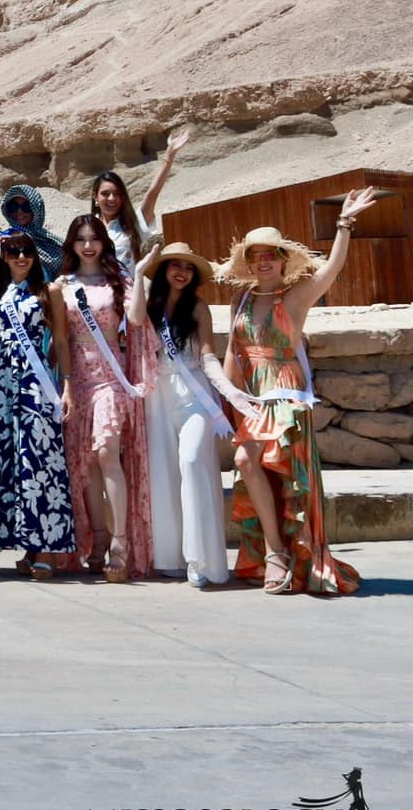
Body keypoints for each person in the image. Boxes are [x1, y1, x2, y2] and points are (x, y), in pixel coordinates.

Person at [217, 191, 374, 595]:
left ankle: (283, 554)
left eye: (271, 254)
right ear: (249, 262)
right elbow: (235, 350)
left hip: (285, 393)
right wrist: (229, 398)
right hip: (252, 396)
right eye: (256, 255)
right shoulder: (242, 298)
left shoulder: (296, 296)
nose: (263, 260)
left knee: (271, 471)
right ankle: (274, 551)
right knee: (249, 463)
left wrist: (343, 225)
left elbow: (333, 269)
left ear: (283, 259)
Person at [127, 241, 243, 589]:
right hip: (158, 394)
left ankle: (200, 558)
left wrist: (229, 391)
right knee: (163, 473)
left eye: (188, 267)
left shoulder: (198, 307)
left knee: (193, 463)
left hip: (194, 392)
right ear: (163, 270)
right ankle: (171, 558)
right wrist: (136, 272)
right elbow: (133, 320)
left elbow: (208, 355)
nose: (181, 271)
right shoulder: (151, 305)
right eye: (174, 265)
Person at [55, 213, 152, 582]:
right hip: (77, 377)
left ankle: (121, 542)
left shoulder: (118, 281)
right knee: (86, 464)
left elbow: (138, 319)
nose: (88, 245)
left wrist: (139, 274)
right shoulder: (62, 284)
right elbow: (61, 340)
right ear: (72, 244)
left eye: (94, 238)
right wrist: (65, 383)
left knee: (106, 451)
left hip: (111, 375)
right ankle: (96, 540)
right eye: (80, 239)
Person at [0, 232, 77, 577]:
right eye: (13, 252)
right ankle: (27, 544)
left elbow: (62, 341)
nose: (21, 257)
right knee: (13, 465)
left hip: (35, 385)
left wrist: (67, 386)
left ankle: (47, 550)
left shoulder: (48, 291)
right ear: (4, 257)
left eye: (26, 251)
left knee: (39, 462)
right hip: (3, 386)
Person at [92, 127, 187, 267]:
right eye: (105, 194)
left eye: (117, 194)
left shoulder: (133, 224)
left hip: (128, 287)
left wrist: (169, 155)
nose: (111, 198)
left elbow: (153, 192)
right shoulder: (88, 226)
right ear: (95, 197)